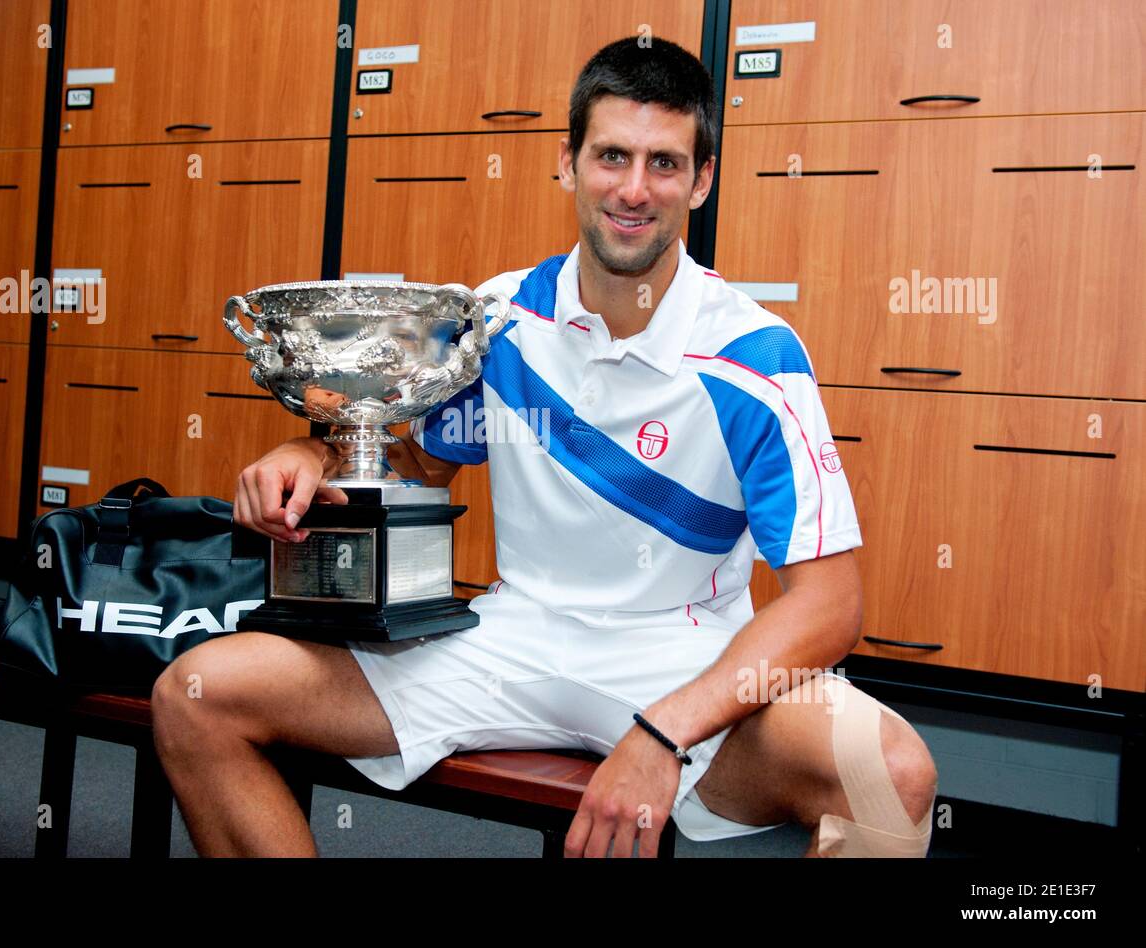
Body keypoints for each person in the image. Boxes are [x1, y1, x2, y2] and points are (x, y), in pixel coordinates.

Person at [151, 36, 938, 858]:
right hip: (509, 638)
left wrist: (663, 733)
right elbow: (417, 463)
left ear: (701, 181)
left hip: (684, 659)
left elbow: (829, 602)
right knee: (197, 694)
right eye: (611, 157)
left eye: (664, 163)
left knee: (888, 774)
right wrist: (312, 453)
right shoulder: (501, 321)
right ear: (568, 163)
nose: (634, 190)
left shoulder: (753, 356)